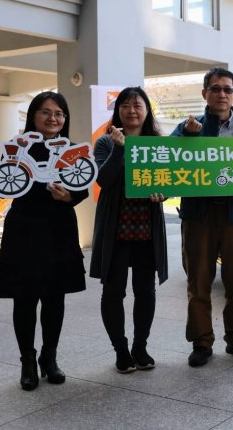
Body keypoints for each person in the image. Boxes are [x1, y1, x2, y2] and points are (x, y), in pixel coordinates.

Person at [0, 92, 87, 391]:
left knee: (55, 297)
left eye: (59, 113)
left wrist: (69, 196)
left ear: (65, 119)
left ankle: (49, 359)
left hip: (59, 229)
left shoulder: (71, 149)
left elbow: (82, 189)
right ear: (33, 116)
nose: (53, 118)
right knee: (24, 298)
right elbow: (2, 184)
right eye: (45, 112)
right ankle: (27, 360)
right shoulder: (21, 146)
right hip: (24, 229)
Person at [171, 67, 233, 366]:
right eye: (215, 88)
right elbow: (171, 158)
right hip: (198, 214)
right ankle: (201, 342)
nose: (221, 94)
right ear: (205, 94)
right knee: (198, 280)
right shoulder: (189, 126)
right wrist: (187, 137)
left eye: (227, 89)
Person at [91, 87, 168, 373]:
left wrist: (164, 194)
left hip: (147, 227)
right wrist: (121, 148)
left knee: (145, 290)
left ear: (147, 111)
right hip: (116, 226)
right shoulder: (106, 142)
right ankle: (121, 350)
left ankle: (140, 346)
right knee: (113, 291)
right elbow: (104, 181)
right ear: (117, 110)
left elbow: (170, 181)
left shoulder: (157, 143)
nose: (131, 110)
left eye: (137, 105)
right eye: (125, 105)